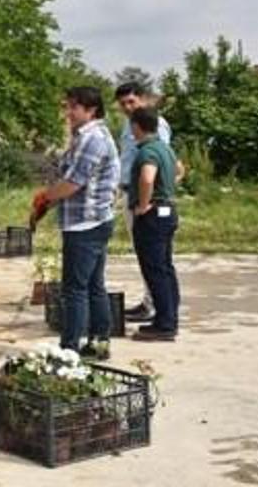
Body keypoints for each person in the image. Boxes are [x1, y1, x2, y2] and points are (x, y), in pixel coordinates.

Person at [30, 86, 121, 360]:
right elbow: (66, 171)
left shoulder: (94, 139)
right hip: (91, 222)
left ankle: (70, 350)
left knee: (75, 290)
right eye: (67, 106)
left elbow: (72, 184)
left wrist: (43, 200)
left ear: (90, 110)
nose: (68, 112)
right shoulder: (84, 137)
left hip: (86, 225)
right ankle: (99, 343)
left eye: (73, 107)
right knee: (93, 285)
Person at [114, 82, 183, 322]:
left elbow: (157, 167)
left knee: (153, 259)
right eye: (122, 104)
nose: (127, 107)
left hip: (148, 202)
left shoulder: (154, 127)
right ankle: (155, 304)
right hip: (132, 193)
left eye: (131, 102)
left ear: (143, 99)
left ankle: (157, 308)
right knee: (151, 257)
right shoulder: (129, 125)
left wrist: (149, 200)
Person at [128, 107, 181, 342]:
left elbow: (147, 177)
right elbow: (179, 169)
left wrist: (142, 204)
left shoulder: (147, 151)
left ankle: (164, 325)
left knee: (155, 270)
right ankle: (168, 318)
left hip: (153, 216)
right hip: (168, 211)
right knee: (166, 269)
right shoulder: (165, 148)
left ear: (137, 126)